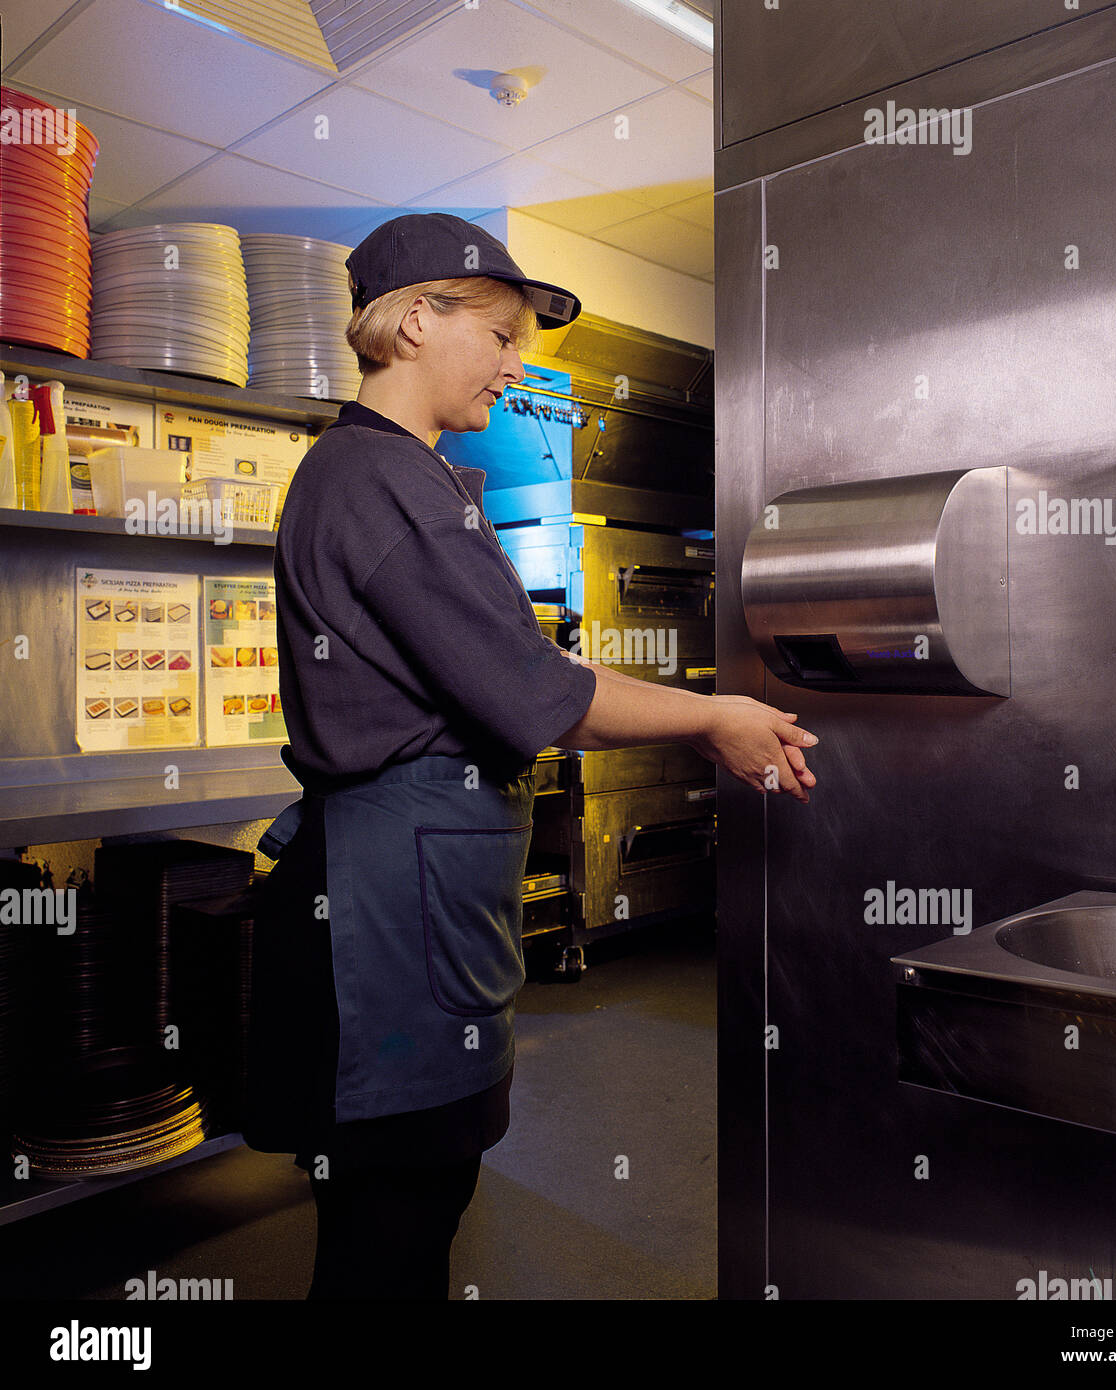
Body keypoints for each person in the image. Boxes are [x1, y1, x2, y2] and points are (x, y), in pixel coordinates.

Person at [241, 212, 818, 1300]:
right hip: (378, 917)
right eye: (501, 335)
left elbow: (521, 687)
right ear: (416, 321)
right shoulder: (377, 480)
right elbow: (540, 696)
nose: (517, 365)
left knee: (409, 1210)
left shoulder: (402, 476)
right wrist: (714, 716)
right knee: (391, 1228)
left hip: (403, 899)